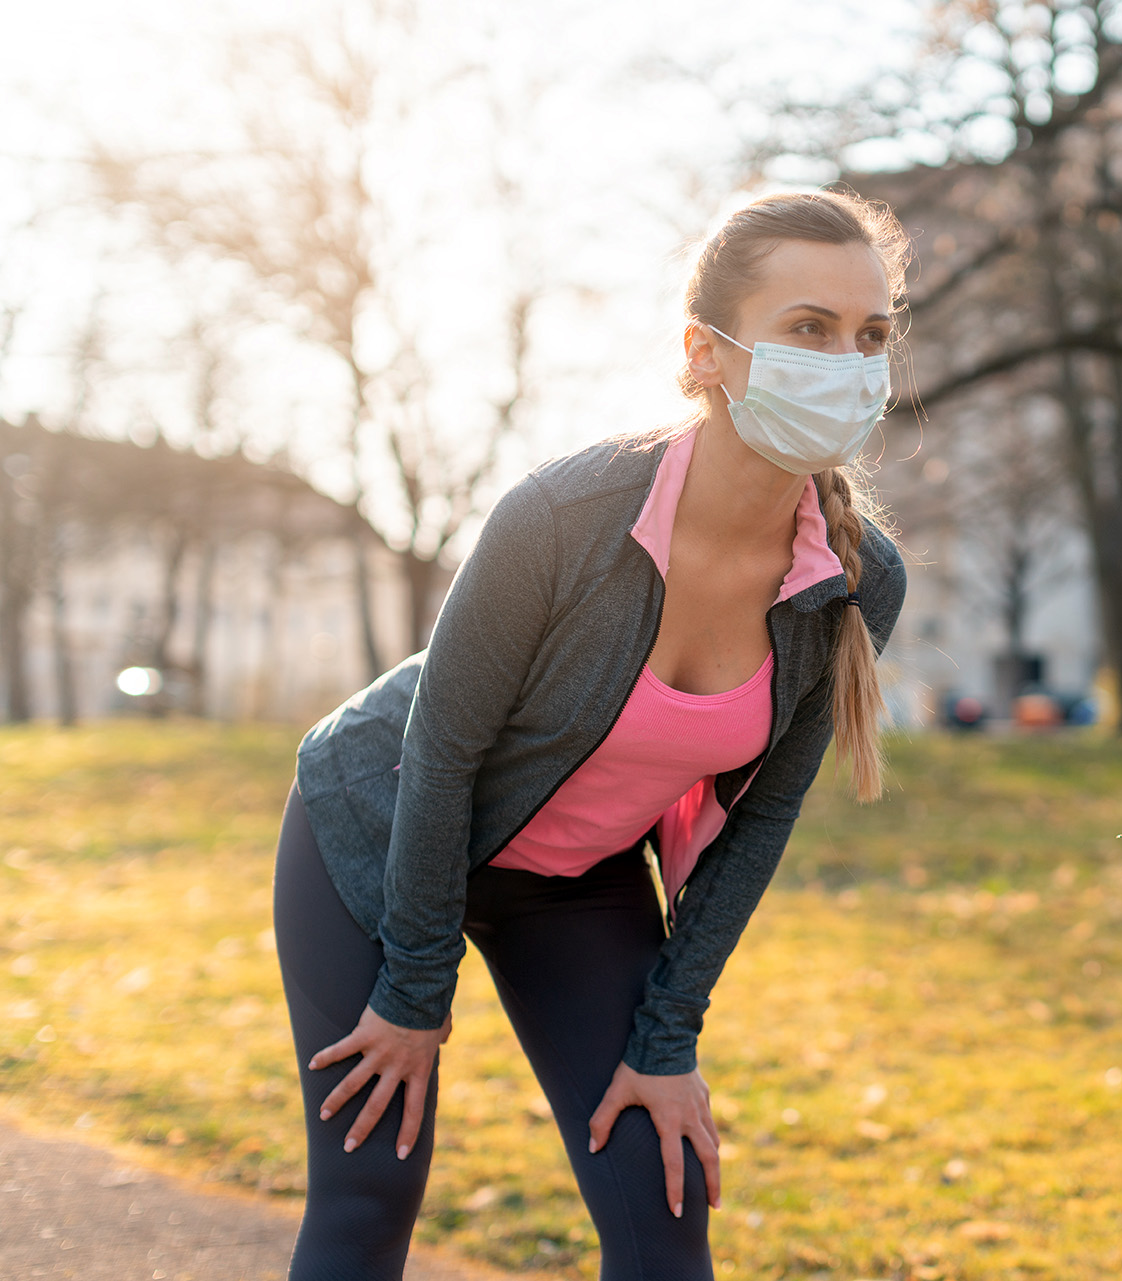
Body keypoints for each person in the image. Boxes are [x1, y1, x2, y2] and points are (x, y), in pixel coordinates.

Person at [271, 189, 910, 1281]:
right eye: (810, 328)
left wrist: (667, 1043)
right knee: (371, 1190)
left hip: (573, 881)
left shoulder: (854, 582)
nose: (848, 362)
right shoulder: (564, 517)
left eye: (871, 336)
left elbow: (760, 829)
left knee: (664, 1214)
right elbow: (440, 755)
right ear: (705, 352)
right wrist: (413, 992)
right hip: (379, 831)